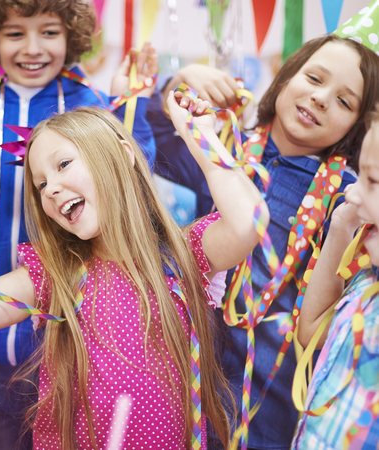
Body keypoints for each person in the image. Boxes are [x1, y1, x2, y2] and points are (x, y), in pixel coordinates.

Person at [0, 89, 268, 448]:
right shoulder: (56, 274)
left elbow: (249, 222)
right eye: (41, 184)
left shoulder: (183, 255)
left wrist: (199, 137)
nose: (50, 190)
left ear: (123, 154)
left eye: (63, 165)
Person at [0, 0, 157, 448]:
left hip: (74, 346)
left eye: (49, 32)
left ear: (71, 36)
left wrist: (132, 112)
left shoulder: (93, 109)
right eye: (15, 33)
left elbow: (133, 188)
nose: (33, 48)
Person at [148, 34, 379, 449]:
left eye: (345, 101)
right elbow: (147, 137)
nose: (322, 98)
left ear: (356, 126)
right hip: (185, 375)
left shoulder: (348, 196)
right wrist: (178, 84)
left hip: (263, 404)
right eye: (313, 78)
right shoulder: (223, 142)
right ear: (286, 76)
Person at [293, 106, 379, 449]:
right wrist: (342, 225)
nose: (352, 194)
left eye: (373, 180)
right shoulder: (366, 276)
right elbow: (311, 328)